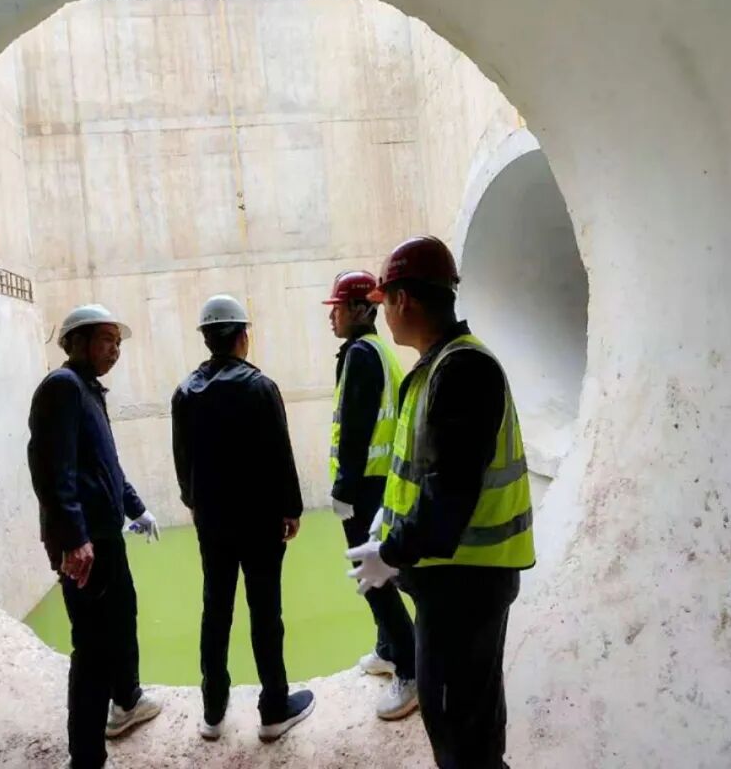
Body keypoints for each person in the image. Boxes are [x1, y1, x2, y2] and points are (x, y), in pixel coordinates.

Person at [346, 238, 536, 769]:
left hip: (465, 582)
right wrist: (388, 523)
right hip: (454, 581)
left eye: (385, 302)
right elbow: (422, 474)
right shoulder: (438, 367)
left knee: (460, 726)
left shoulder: (461, 371)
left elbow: (448, 496)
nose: (382, 314)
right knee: (462, 715)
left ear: (404, 301)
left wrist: (392, 552)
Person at [171, 294, 315, 743]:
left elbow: (182, 459)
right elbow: (279, 454)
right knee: (265, 612)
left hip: (212, 522)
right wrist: (291, 508)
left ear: (207, 338)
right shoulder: (259, 387)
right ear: (241, 337)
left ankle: (213, 710)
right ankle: (274, 708)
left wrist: (193, 501)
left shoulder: (185, 391)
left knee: (216, 609)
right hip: (259, 521)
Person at [27, 304, 163, 769]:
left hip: (106, 537)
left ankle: (127, 702)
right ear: (78, 342)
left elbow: (107, 467)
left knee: (123, 617)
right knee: (93, 646)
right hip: (85, 545)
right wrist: (73, 538)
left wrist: (136, 508)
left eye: (119, 343)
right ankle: (85, 756)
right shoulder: (61, 388)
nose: (115, 351)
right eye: (108, 340)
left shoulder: (88, 391)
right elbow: (51, 469)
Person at [323, 270, 418, 720]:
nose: (332, 317)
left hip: (365, 485)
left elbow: (357, 428)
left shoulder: (361, 354)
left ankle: (410, 668)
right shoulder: (378, 350)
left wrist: (343, 487)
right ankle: (387, 647)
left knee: (373, 578)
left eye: (338, 308)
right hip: (379, 482)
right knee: (378, 574)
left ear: (361, 309)